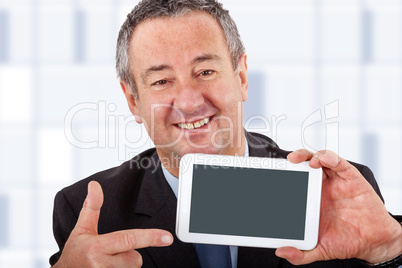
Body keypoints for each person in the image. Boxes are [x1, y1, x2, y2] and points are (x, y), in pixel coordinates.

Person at [50, 0, 402, 267]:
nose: (189, 102)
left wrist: (390, 248)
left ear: (242, 77)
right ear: (132, 100)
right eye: (161, 81)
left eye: (205, 71)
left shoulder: (335, 193)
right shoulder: (87, 213)